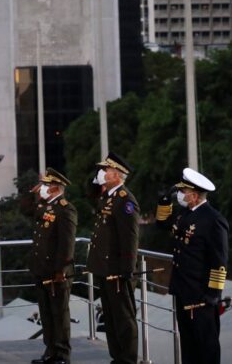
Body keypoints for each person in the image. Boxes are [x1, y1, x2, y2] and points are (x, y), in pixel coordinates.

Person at [156, 168, 229, 364]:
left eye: (183, 191)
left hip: (201, 294)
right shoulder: (183, 214)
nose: (180, 194)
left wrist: (213, 294)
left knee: (206, 347)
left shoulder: (213, 220)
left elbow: (219, 260)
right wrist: (164, 201)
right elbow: (162, 224)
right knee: (188, 345)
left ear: (194, 196)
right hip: (182, 289)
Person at [86, 153, 140, 364]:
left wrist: (126, 270)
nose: (101, 173)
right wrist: (94, 179)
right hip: (105, 268)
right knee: (110, 317)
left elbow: (130, 238)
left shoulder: (125, 200)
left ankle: (127, 360)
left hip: (118, 270)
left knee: (123, 319)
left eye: (105, 170)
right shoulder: (109, 197)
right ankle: (117, 358)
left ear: (116, 175)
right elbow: (89, 193)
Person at [28, 168, 77, 364]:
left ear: (56, 188)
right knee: (47, 314)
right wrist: (34, 194)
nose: (43, 188)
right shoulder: (45, 207)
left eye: (46, 185)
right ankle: (50, 351)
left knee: (59, 314)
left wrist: (61, 270)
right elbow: (27, 210)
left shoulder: (66, 209)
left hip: (57, 272)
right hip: (42, 269)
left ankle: (62, 355)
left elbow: (67, 244)